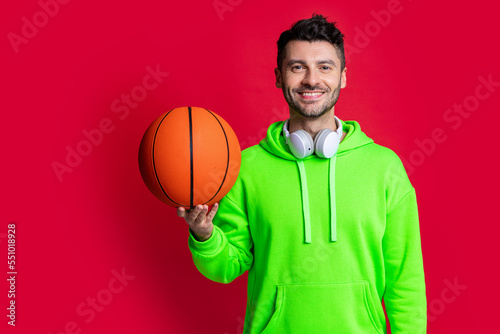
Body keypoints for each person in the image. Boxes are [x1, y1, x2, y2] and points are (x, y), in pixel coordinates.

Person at [178, 14, 426, 334]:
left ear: (343, 77)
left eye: (325, 67)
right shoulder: (247, 168)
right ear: (280, 77)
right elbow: (227, 267)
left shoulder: (384, 167)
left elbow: (405, 280)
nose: (311, 80)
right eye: (298, 67)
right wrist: (204, 235)